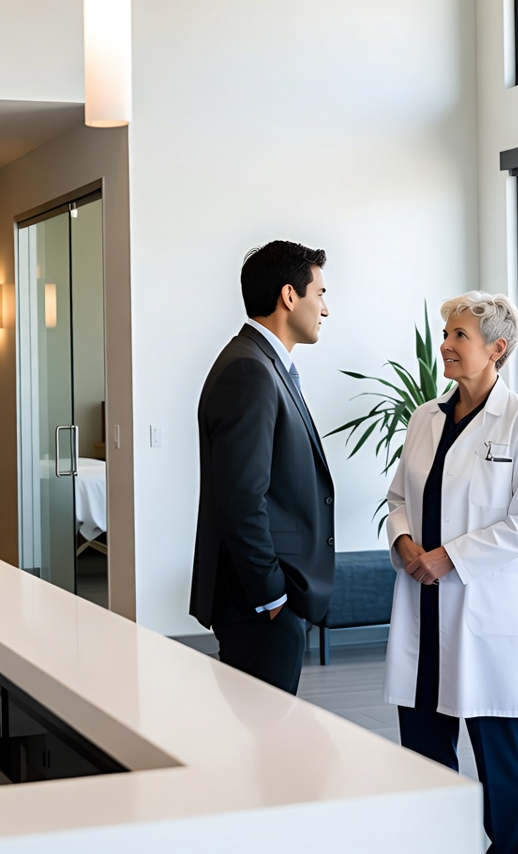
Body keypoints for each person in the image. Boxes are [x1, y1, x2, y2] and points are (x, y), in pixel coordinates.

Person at [384, 292, 518, 854]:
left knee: (500, 758)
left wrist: (448, 557)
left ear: (496, 349)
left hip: (482, 611)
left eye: (460, 335)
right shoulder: (425, 417)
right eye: (447, 333)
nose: (446, 345)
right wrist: (406, 541)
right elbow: (398, 497)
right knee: (424, 757)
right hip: (422, 606)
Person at [190, 240, 335, 694]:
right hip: (260, 604)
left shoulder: (263, 363)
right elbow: (241, 499)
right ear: (289, 297)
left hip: (268, 600)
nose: (325, 310)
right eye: (320, 294)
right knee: (264, 748)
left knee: (263, 744)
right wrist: (273, 598)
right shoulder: (250, 370)